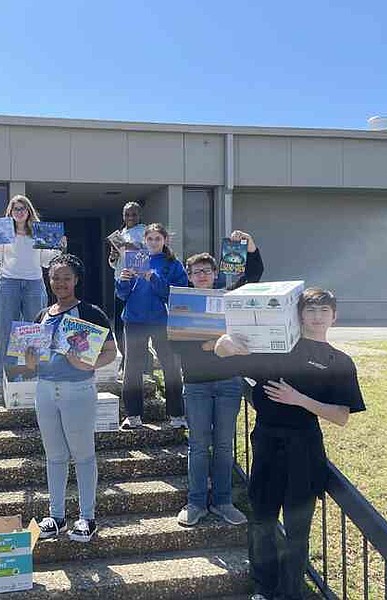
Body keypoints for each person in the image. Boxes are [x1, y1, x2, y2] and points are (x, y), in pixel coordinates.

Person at [211, 288, 366, 600]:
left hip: (304, 446)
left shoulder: (340, 361)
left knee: (297, 528)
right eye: (311, 310)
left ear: (334, 317)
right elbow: (221, 349)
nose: (317, 316)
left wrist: (300, 399)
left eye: (324, 311)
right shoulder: (279, 348)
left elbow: (341, 416)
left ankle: (290, 592)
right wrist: (226, 342)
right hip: (267, 440)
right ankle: (264, 588)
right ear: (299, 315)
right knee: (262, 519)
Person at [174, 230, 263, 527]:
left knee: (224, 445)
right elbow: (176, 344)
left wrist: (249, 246)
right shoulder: (181, 304)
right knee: (198, 446)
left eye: (206, 270)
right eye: (195, 271)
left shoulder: (229, 299)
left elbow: (254, 276)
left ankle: (223, 502)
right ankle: (196, 502)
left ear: (215, 273)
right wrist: (211, 344)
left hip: (228, 383)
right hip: (196, 384)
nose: (201, 275)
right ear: (189, 275)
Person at [29, 254, 117, 543]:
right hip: (44, 389)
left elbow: (110, 352)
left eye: (66, 277)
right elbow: (29, 359)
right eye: (55, 277)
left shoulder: (90, 312)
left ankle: (87, 517)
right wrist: (26, 356)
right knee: (54, 455)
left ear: (76, 280)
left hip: (77, 390)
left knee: (83, 453)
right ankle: (56, 517)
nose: (60, 283)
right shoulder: (42, 315)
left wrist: (87, 363)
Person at [0, 194, 65, 387]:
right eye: (15, 209)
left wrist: (59, 248)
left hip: (34, 283)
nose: (19, 212)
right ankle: (1, 375)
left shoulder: (39, 232)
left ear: (29, 212)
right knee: (5, 330)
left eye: (23, 208)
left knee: (36, 330)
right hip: (8, 282)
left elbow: (45, 262)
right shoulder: (3, 232)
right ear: (10, 212)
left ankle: (34, 373)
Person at [116, 223, 188, 429]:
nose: (154, 242)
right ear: (144, 241)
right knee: (132, 368)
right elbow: (122, 295)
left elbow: (175, 294)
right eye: (150, 239)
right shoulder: (134, 260)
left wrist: (152, 277)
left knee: (171, 366)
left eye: (158, 238)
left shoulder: (173, 264)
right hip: (134, 319)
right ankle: (133, 415)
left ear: (165, 240)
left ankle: (176, 415)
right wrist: (123, 281)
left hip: (161, 321)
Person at [107, 202, 145, 368]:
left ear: (139, 215)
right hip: (120, 281)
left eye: (134, 214)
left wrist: (131, 247)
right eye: (127, 214)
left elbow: (149, 253)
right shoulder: (121, 233)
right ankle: (125, 357)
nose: (130, 217)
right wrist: (114, 256)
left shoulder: (145, 231)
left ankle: (143, 363)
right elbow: (113, 264)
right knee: (119, 325)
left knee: (136, 325)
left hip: (137, 283)